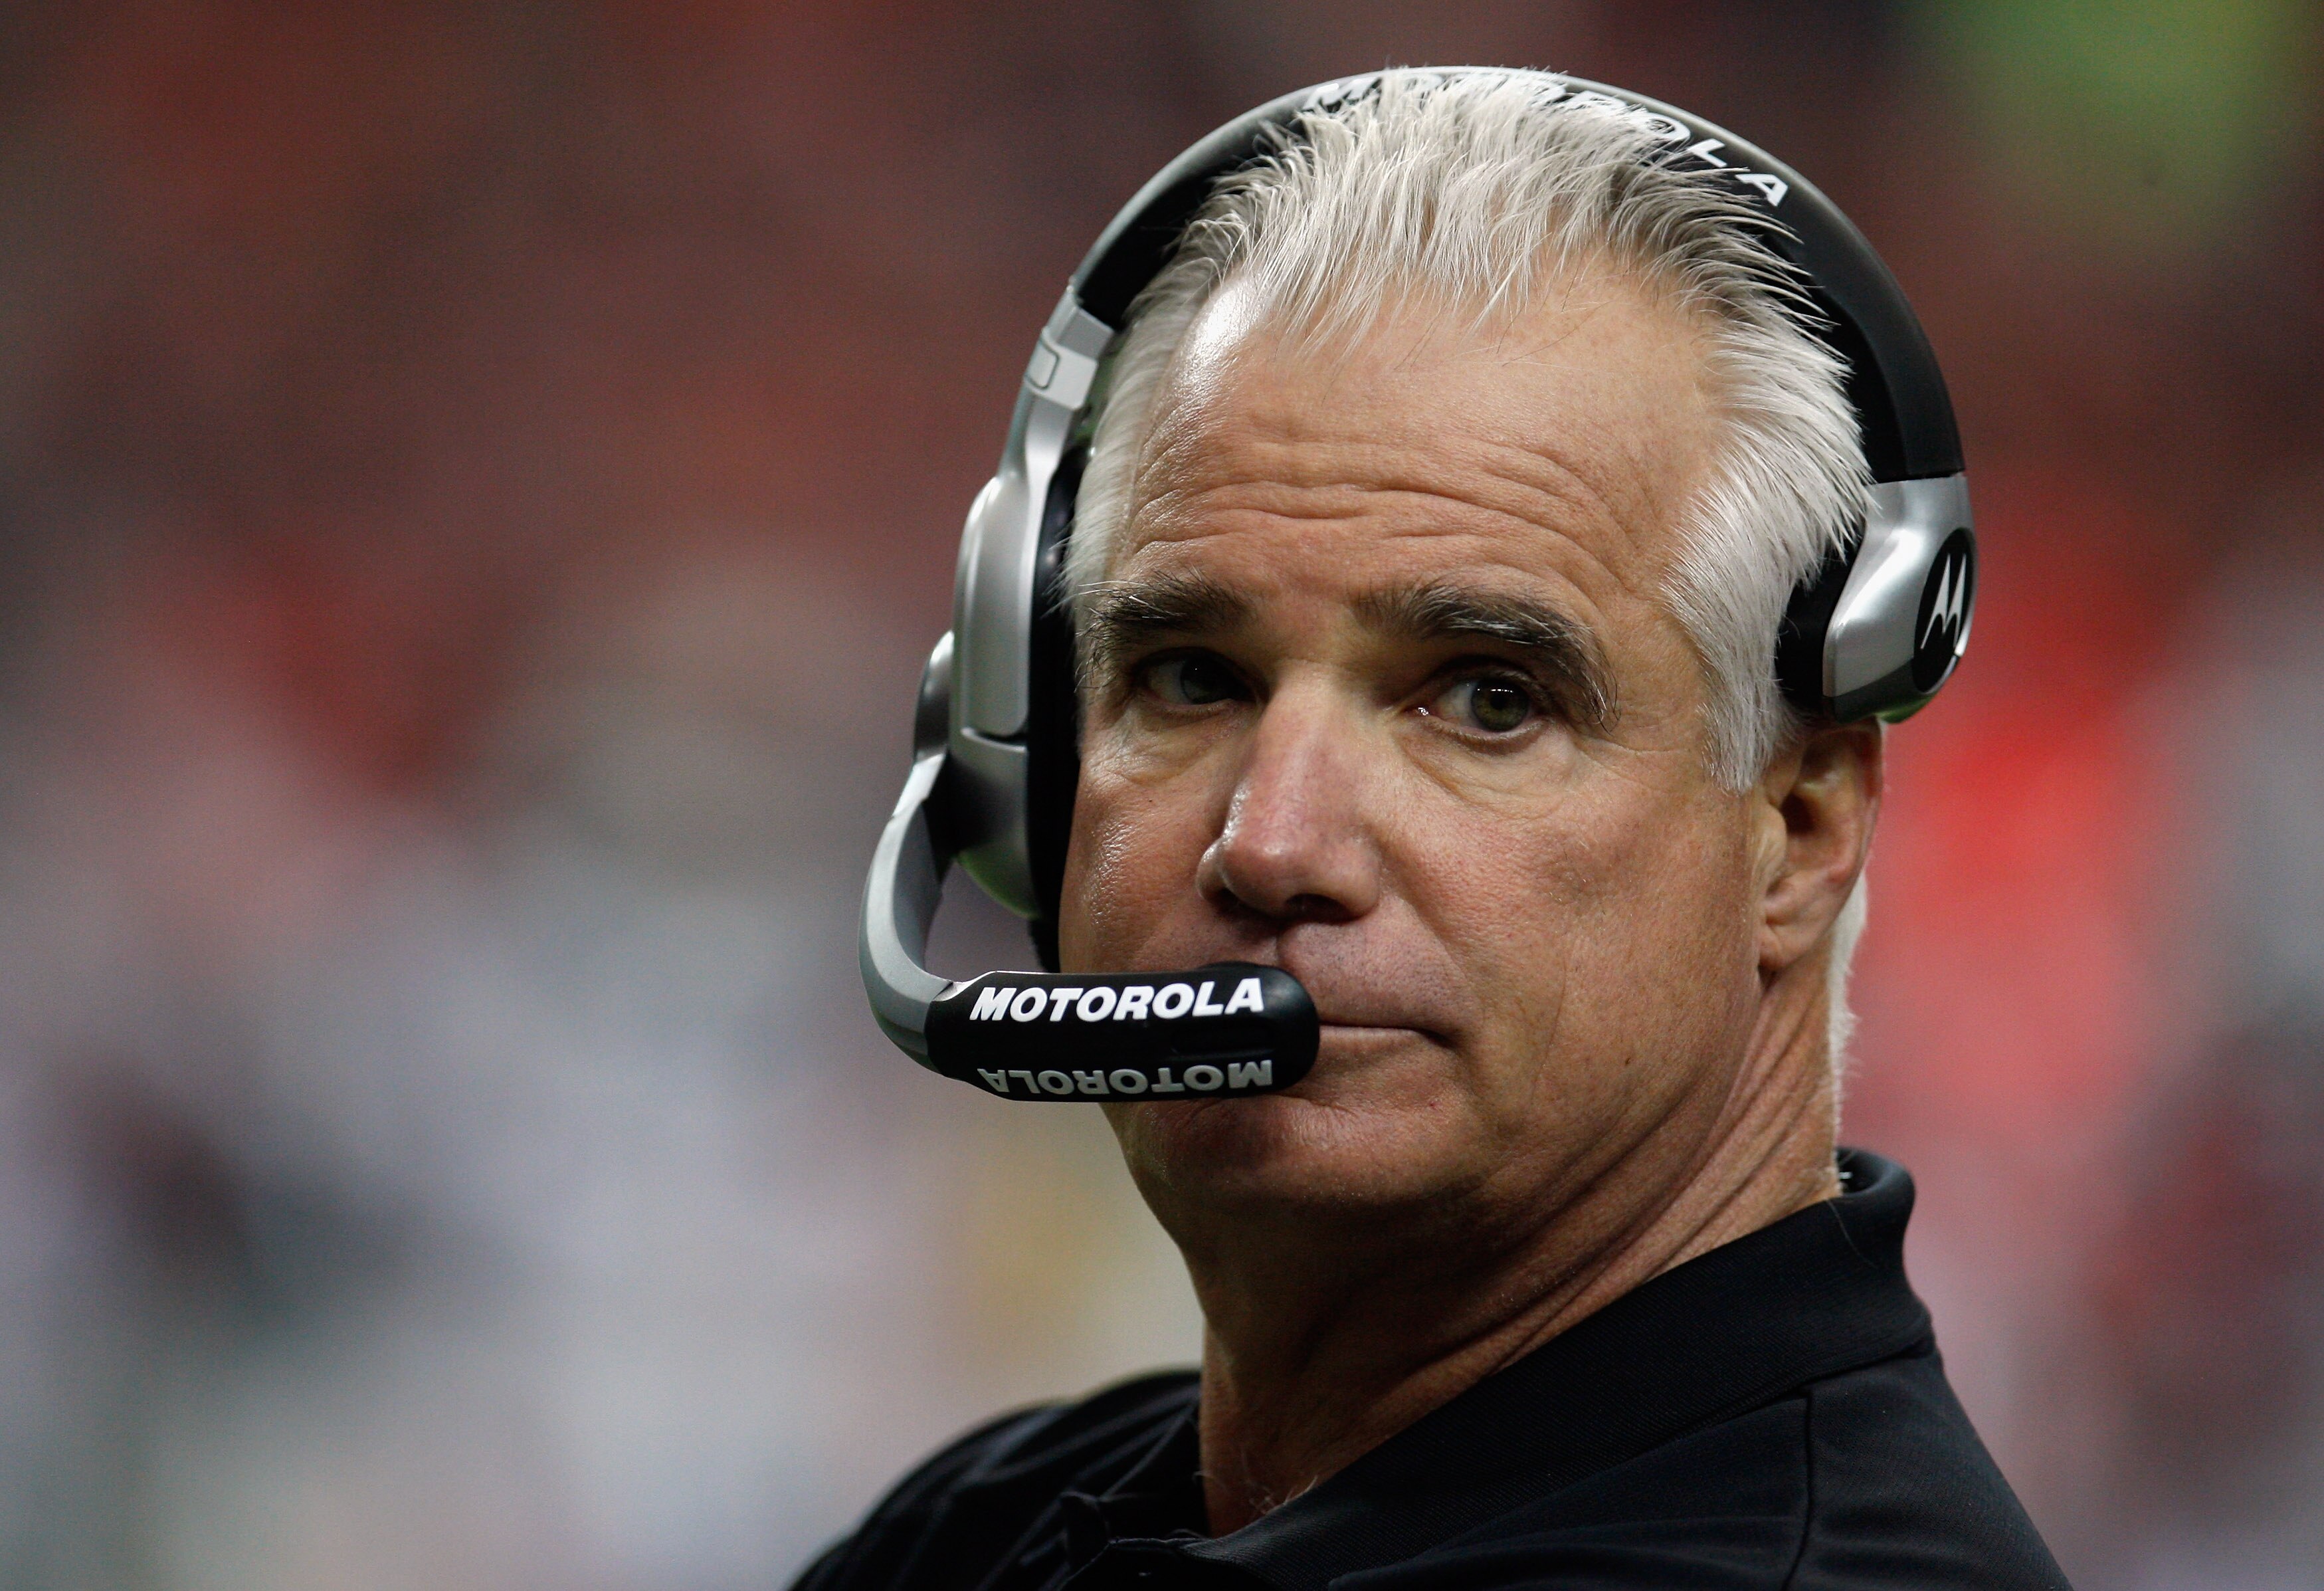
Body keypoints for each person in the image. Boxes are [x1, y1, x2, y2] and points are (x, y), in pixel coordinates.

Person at [807, 70, 2069, 1589]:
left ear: (1797, 833)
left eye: (1486, 701)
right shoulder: (972, 1530)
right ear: (1024, 755)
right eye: (1193, 677)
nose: (1274, 844)